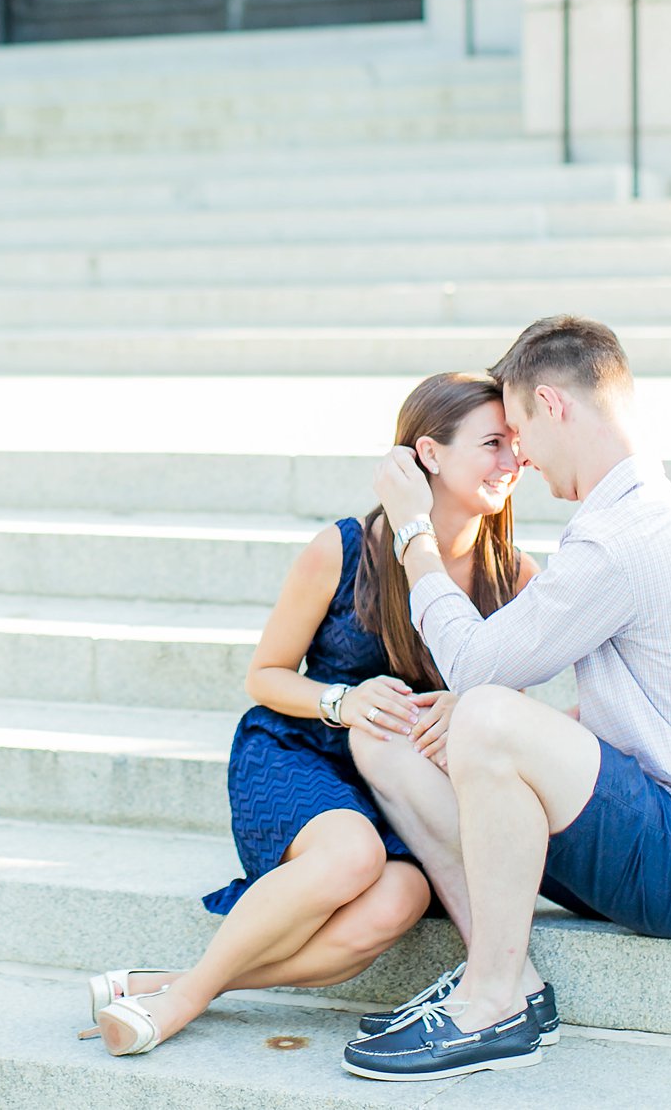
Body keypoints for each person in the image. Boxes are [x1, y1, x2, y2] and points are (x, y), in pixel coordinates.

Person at [342, 316, 671, 1082]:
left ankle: (492, 1005)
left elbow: (477, 667)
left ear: (553, 404)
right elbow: (642, 719)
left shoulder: (627, 536)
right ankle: (510, 975)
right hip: (654, 822)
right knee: (388, 738)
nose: (521, 457)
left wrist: (411, 531)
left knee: (479, 709)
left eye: (518, 429)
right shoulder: (630, 519)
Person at [81, 371, 537, 1056]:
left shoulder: (515, 574)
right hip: (304, 747)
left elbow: (513, 708)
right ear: (430, 453)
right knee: (352, 855)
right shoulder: (344, 548)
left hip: (408, 780)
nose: (512, 463)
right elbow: (263, 675)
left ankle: (176, 982)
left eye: (518, 446)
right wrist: (342, 700)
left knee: (400, 900)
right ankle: (180, 999)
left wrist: (464, 703)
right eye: (493, 442)